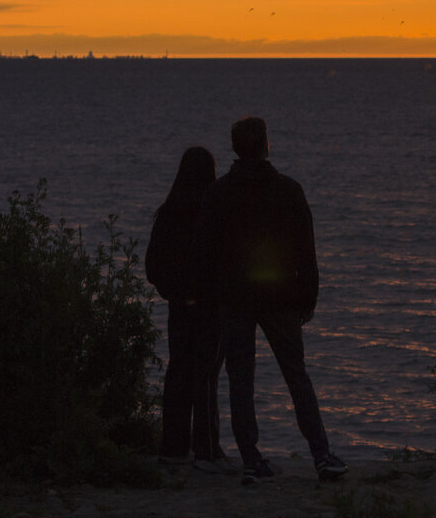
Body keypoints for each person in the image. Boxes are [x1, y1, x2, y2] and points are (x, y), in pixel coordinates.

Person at [195, 116, 347, 485]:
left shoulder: (217, 194)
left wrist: (212, 298)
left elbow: (204, 253)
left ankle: (251, 460)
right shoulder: (288, 191)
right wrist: (308, 298)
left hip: (233, 298)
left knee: (240, 380)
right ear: (266, 145)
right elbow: (305, 251)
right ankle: (321, 454)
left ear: (234, 148)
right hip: (280, 298)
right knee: (296, 377)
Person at [145, 146, 230, 471]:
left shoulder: (168, 213)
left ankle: (174, 447)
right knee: (206, 374)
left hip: (180, 307)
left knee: (179, 371)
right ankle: (207, 451)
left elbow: (154, 266)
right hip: (211, 307)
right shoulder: (215, 213)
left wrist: (176, 293)